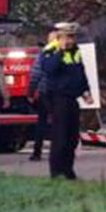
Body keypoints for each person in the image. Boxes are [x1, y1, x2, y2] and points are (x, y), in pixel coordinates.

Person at [41, 22, 92, 179]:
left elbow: (80, 71)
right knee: (60, 137)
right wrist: (60, 51)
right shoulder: (51, 50)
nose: (71, 40)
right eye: (68, 37)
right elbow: (49, 69)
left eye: (73, 37)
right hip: (58, 97)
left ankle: (68, 169)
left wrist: (85, 91)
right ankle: (57, 171)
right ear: (59, 37)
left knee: (72, 137)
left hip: (72, 97)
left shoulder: (75, 50)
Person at [27, 31, 59, 161]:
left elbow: (36, 74)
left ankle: (37, 152)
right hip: (59, 93)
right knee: (59, 122)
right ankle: (59, 151)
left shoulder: (44, 54)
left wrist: (30, 92)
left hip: (44, 92)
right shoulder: (66, 53)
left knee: (42, 122)